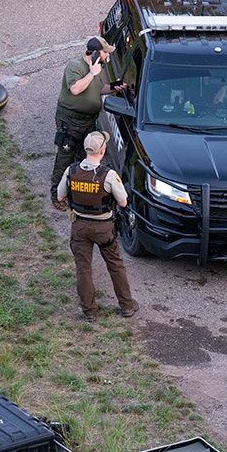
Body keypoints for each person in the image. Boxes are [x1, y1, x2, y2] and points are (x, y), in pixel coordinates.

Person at [56, 130, 139, 322]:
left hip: (79, 226)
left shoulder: (72, 171)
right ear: (102, 151)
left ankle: (89, 311)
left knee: (83, 269)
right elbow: (123, 203)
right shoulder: (108, 175)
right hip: (104, 228)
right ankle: (126, 305)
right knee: (115, 265)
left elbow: (60, 196)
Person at [50, 36, 121, 209]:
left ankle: (77, 192)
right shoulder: (76, 66)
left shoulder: (97, 69)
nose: (107, 56)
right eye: (105, 53)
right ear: (96, 53)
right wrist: (92, 73)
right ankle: (57, 196)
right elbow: (75, 89)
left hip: (88, 121)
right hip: (70, 120)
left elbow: (97, 88)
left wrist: (114, 87)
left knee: (84, 157)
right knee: (65, 156)